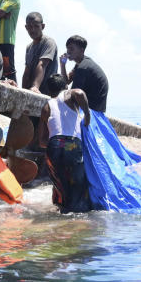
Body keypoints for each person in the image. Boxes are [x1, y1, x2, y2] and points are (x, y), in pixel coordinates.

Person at [38, 74, 92, 214]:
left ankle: (62, 212)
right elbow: (80, 93)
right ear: (66, 86)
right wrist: (87, 114)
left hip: (53, 146)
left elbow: (42, 141)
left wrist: (55, 145)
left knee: (60, 184)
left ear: (49, 91)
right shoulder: (68, 95)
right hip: (72, 145)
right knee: (78, 185)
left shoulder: (46, 107)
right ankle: (77, 219)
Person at [60, 35, 109, 113]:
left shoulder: (83, 67)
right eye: (67, 48)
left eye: (71, 49)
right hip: (96, 110)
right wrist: (62, 65)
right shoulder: (81, 64)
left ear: (82, 50)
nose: (68, 51)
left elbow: (72, 96)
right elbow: (66, 81)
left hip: (91, 111)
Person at [21, 12, 58, 95]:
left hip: (48, 94)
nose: (33, 30)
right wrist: (22, 91)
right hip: (32, 93)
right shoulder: (29, 47)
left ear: (43, 26)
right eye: (30, 27)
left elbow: (42, 64)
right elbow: (27, 71)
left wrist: (35, 87)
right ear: (26, 27)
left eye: (36, 26)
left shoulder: (48, 42)